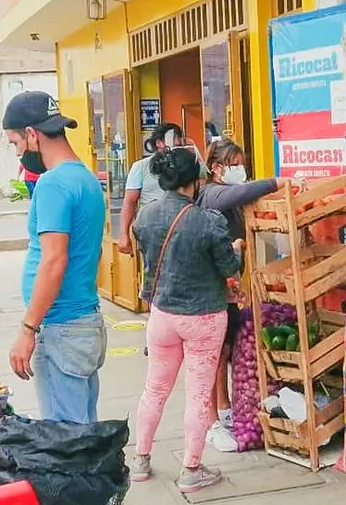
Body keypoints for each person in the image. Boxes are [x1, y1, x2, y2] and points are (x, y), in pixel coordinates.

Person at [129, 146, 243, 493]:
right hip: (204, 318)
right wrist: (236, 249)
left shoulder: (145, 217)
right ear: (194, 181)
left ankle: (140, 460)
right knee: (196, 396)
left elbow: (145, 248)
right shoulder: (209, 221)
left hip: (162, 315)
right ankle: (191, 470)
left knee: (154, 390)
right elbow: (229, 269)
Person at [2, 91, 107, 424]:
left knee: (67, 444)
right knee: (81, 433)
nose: (18, 153)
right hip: (82, 322)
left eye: (15, 142)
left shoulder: (53, 184)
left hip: (61, 327)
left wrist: (27, 329)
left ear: (32, 134)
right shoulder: (86, 178)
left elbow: (54, 261)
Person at [196, 138, 292, 452]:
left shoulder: (230, 198)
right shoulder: (212, 193)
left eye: (242, 162)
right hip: (212, 288)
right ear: (217, 168)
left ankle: (223, 407)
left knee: (225, 351)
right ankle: (210, 420)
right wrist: (276, 181)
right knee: (213, 355)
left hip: (231, 288)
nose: (240, 169)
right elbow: (238, 192)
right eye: (234, 164)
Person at [117, 123, 185, 255]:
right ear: (159, 142)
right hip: (152, 231)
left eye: (180, 138)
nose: (179, 142)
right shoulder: (140, 167)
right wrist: (123, 234)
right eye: (175, 138)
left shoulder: (184, 166)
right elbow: (130, 202)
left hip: (180, 229)